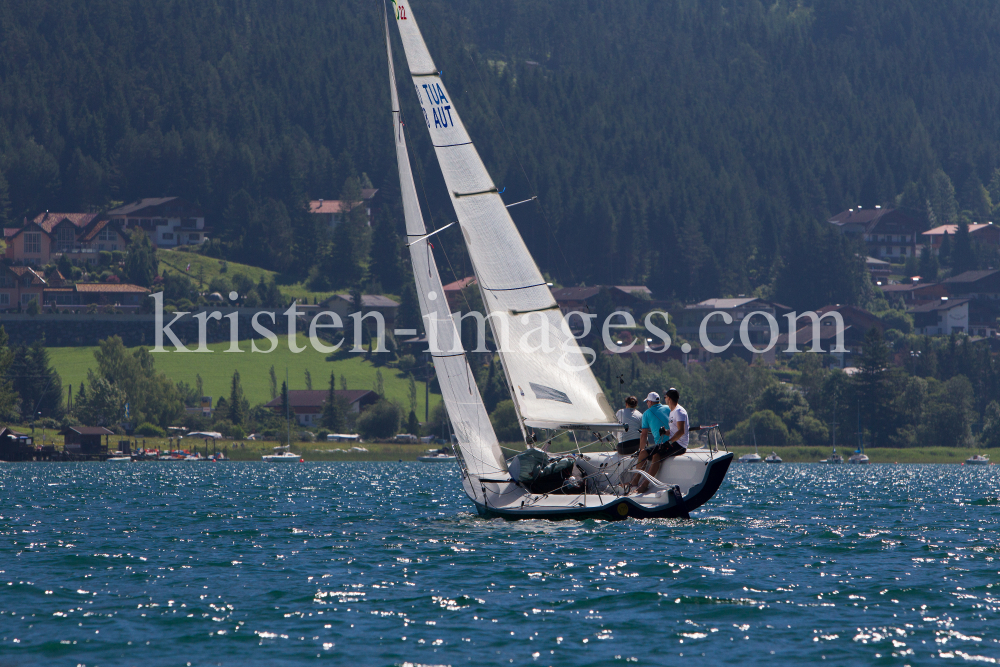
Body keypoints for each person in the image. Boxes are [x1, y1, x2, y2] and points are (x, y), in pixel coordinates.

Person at [631, 388, 689, 494]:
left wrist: (669, 442)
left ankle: (644, 486)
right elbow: (672, 431)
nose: (664, 399)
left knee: (656, 455)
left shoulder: (679, 411)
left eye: (665, 397)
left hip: (679, 444)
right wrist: (665, 432)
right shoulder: (671, 411)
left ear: (669, 399)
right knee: (643, 453)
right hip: (671, 442)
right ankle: (634, 482)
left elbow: (681, 431)